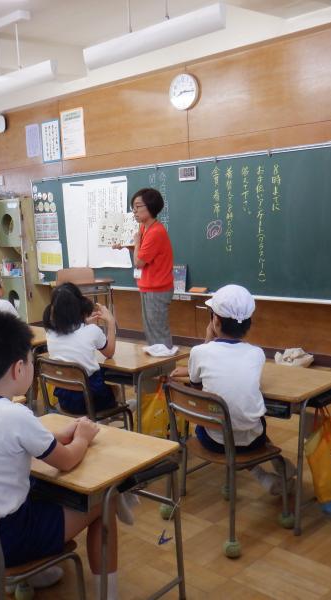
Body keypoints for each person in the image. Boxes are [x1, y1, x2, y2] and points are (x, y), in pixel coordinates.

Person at [0, 313, 120, 598]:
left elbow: (17, 442)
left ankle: (33, 574)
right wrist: (83, 437)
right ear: (19, 369)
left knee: (42, 488)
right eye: (30, 362)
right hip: (6, 541)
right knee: (104, 501)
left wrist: (63, 435)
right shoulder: (15, 414)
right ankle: (109, 595)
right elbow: (67, 460)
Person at [169, 285, 294, 494]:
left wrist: (208, 338)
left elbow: (197, 386)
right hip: (254, 442)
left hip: (212, 441)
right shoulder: (257, 354)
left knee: (224, 417)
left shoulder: (199, 352)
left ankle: (264, 476)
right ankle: (277, 464)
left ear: (215, 321)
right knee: (248, 421)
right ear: (248, 324)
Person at [42, 283, 117, 415]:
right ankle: (111, 418)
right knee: (114, 388)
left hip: (65, 401)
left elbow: (73, 335)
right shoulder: (92, 331)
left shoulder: (50, 333)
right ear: (80, 305)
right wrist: (110, 321)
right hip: (92, 401)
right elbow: (109, 353)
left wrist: (84, 323)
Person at [117, 188, 174, 348]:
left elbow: (139, 262)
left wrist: (136, 243)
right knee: (151, 330)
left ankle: (165, 362)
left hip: (157, 288)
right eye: (133, 207)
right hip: (148, 286)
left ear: (150, 206)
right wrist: (125, 245)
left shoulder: (156, 231)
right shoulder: (144, 227)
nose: (134, 211)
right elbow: (142, 253)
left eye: (138, 206)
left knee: (158, 332)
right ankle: (157, 361)